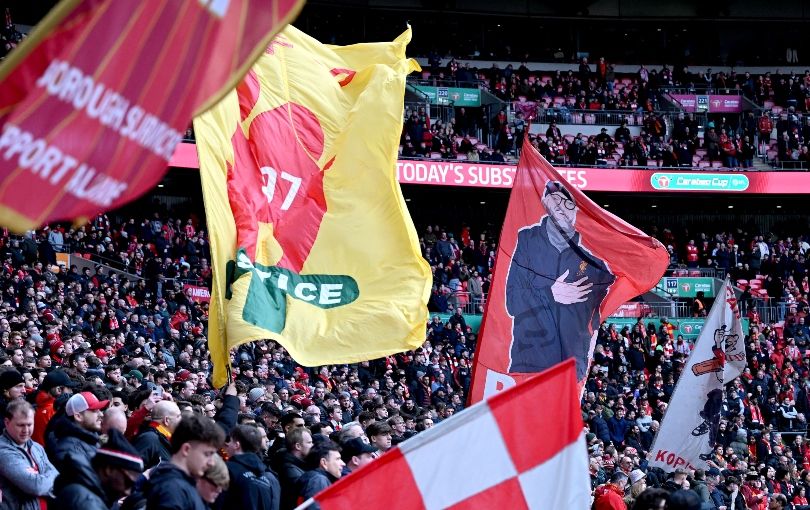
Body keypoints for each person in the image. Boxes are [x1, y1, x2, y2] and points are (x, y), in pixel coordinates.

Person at [506, 181, 615, 380]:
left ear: (576, 212)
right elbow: (512, 302)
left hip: (571, 368)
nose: (562, 209)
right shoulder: (526, 242)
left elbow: (601, 310)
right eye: (556, 202)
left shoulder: (593, 259)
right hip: (530, 362)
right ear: (546, 204)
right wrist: (551, 293)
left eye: (569, 204)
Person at [140, 413, 225, 510]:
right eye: (207, 454)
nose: (211, 462)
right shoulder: (173, 490)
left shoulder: (181, 484)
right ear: (186, 449)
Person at [52, 429, 144, 510]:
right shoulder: (85, 501)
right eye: (128, 482)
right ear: (109, 469)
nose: (128, 492)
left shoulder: (97, 494)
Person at [0, 400, 59, 510]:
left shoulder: (37, 447)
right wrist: (45, 477)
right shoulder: (2, 450)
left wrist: (42, 478)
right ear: (7, 422)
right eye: (21, 425)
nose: (26, 430)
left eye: (29, 424)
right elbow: (36, 486)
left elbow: (58, 478)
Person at [220, 424, 281, 510]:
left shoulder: (227, 469)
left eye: (230, 441)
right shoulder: (270, 477)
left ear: (236, 445)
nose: (227, 444)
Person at [47, 391, 107, 471]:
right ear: (78, 416)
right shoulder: (68, 450)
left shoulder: (91, 437)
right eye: (94, 410)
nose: (101, 414)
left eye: (100, 410)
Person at [132, 400, 182, 469]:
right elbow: (132, 470)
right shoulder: (149, 438)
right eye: (178, 416)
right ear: (167, 420)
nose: (181, 420)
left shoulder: (165, 438)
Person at [32, 370, 78, 445]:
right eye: (69, 388)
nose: (71, 391)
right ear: (59, 390)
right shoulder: (53, 410)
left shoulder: (42, 406)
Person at [296, 441, 344, 506]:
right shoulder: (318, 480)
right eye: (338, 459)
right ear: (324, 463)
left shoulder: (316, 478)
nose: (343, 464)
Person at [278, 427, 313, 510]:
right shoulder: (289, 470)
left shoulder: (302, 464)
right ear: (298, 446)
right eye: (309, 442)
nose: (312, 445)